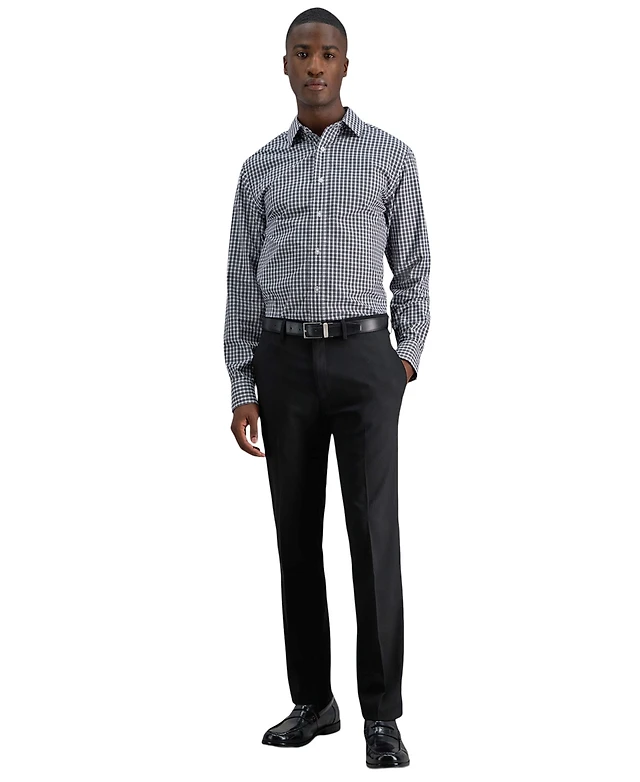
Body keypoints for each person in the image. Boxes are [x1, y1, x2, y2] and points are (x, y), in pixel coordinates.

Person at [223, 7, 431, 769]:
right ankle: (314, 701)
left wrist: (403, 359)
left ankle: (383, 715)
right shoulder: (259, 169)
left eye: (328, 53)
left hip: (365, 363)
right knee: (296, 538)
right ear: (284, 64)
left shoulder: (390, 156)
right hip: (283, 365)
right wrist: (242, 384)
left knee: (374, 540)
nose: (315, 65)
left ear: (346, 65)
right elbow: (241, 283)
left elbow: (414, 266)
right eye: (302, 52)